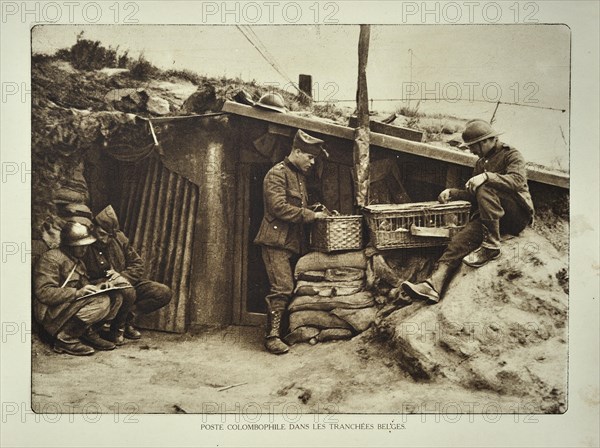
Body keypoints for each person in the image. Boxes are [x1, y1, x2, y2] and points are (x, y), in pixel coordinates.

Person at [401, 119, 534, 303]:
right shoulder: (482, 162)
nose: (472, 151)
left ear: (486, 141)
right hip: (492, 218)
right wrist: (453, 193)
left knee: (485, 186)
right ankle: (433, 285)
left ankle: (491, 245)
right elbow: (476, 195)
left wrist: (487, 177)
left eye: (474, 146)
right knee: (459, 241)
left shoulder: (511, 155)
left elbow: (517, 181)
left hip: (516, 214)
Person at [254, 129, 329, 355]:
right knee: (282, 288)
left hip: (292, 242)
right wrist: (310, 216)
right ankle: (272, 337)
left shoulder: (298, 176)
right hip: (275, 241)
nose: (312, 162)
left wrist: (311, 208)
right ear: (297, 151)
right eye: (310, 157)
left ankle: (285, 330)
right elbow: (278, 208)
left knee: (290, 287)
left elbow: (296, 205)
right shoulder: (277, 174)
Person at [84, 205, 173, 344]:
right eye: (101, 234)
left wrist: (122, 276)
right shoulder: (84, 243)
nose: (105, 240)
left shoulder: (120, 239)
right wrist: (102, 282)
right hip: (100, 288)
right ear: (93, 227)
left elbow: (138, 264)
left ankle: (125, 321)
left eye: (110, 236)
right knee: (127, 291)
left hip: (124, 282)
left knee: (163, 292)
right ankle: (114, 331)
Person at [33, 222, 122, 355]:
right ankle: (64, 339)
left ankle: (87, 332)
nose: (84, 250)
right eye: (80, 246)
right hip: (51, 313)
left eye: (86, 246)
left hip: (67, 306)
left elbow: (83, 286)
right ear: (69, 245)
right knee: (101, 303)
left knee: (116, 297)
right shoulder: (51, 259)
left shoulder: (77, 261)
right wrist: (76, 293)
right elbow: (43, 293)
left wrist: (99, 286)